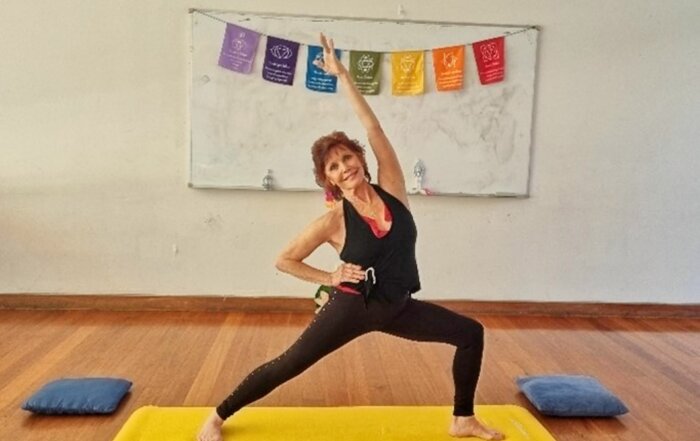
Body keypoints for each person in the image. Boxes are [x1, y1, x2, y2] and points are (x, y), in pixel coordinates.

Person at [197, 34, 504, 441]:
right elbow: (284, 259)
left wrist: (343, 76)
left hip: (398, 306)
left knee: (470, 334)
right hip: (352, 307)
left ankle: (462, 419)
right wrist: (329, 277)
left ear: (360, 158)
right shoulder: (334, 220)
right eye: (334, 167)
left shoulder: (392, 189)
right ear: (328, 180)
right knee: (289, 364)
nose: (345, 167)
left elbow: (373, 128)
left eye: (347, 158)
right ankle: (218, 415)